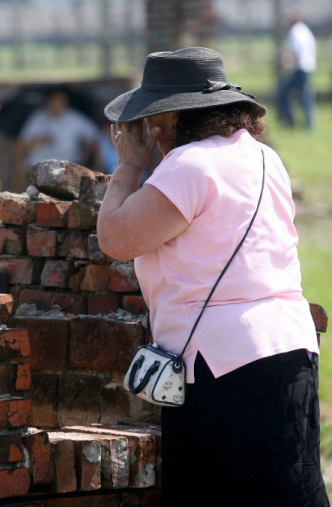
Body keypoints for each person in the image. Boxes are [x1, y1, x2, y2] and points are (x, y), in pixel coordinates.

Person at [98, 47, 327, 506]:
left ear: (189, 114)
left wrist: (127, 166)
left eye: (161, 117)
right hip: (288, 346)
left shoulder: (189, 166)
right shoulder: (264, 157)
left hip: (224, 369)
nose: (154, 130)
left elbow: (116, 237)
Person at [19, 87, 103, 173]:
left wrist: (83, 156)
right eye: (54, 100)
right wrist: (41, 139)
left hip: (67, 166)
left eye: (60, 101)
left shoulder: (74, 118)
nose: (57, 104)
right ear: (48, 101)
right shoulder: (38, 117)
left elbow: (94, 136)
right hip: (39, 165)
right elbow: (24, 144)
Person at [277, 14, 316, 130]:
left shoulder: (295, 32)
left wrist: (285, 61)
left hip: (300, 69)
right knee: (305, 96)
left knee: (284, 94)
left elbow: (296, 51)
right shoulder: (305, 30)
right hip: (308, 68)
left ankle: (289, 121)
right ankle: (308, 123)